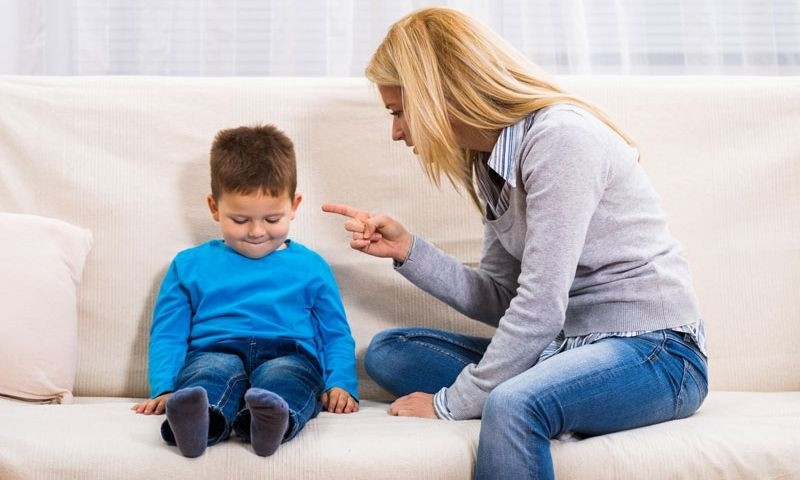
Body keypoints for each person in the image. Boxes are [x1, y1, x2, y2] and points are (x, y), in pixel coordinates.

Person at [322, 7, 707, 480]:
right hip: (563, 348)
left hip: (654, 352)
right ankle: (563, 397)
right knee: (390, 351)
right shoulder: (491, 162)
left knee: (511, 403)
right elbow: (505, 299)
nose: (396, 131)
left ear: (438, 94)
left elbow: (540, 307)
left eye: (399, 112)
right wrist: (408, 251)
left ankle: (546, 400)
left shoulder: (561, 140)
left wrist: (450, 403)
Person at [133, 124, 358, 458]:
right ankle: (196, 425)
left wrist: (340, 382)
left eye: (272, 219)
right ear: (214, 207)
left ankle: (268, 423)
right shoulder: (188, 265)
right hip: (214, 351)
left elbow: (335, 334)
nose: (256, 232)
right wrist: (165, 387)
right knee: (208, 375)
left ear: (294, 205)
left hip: (289, 354)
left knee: (286, 378)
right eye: (240, 220)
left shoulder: (312, 267)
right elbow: (169, 333)